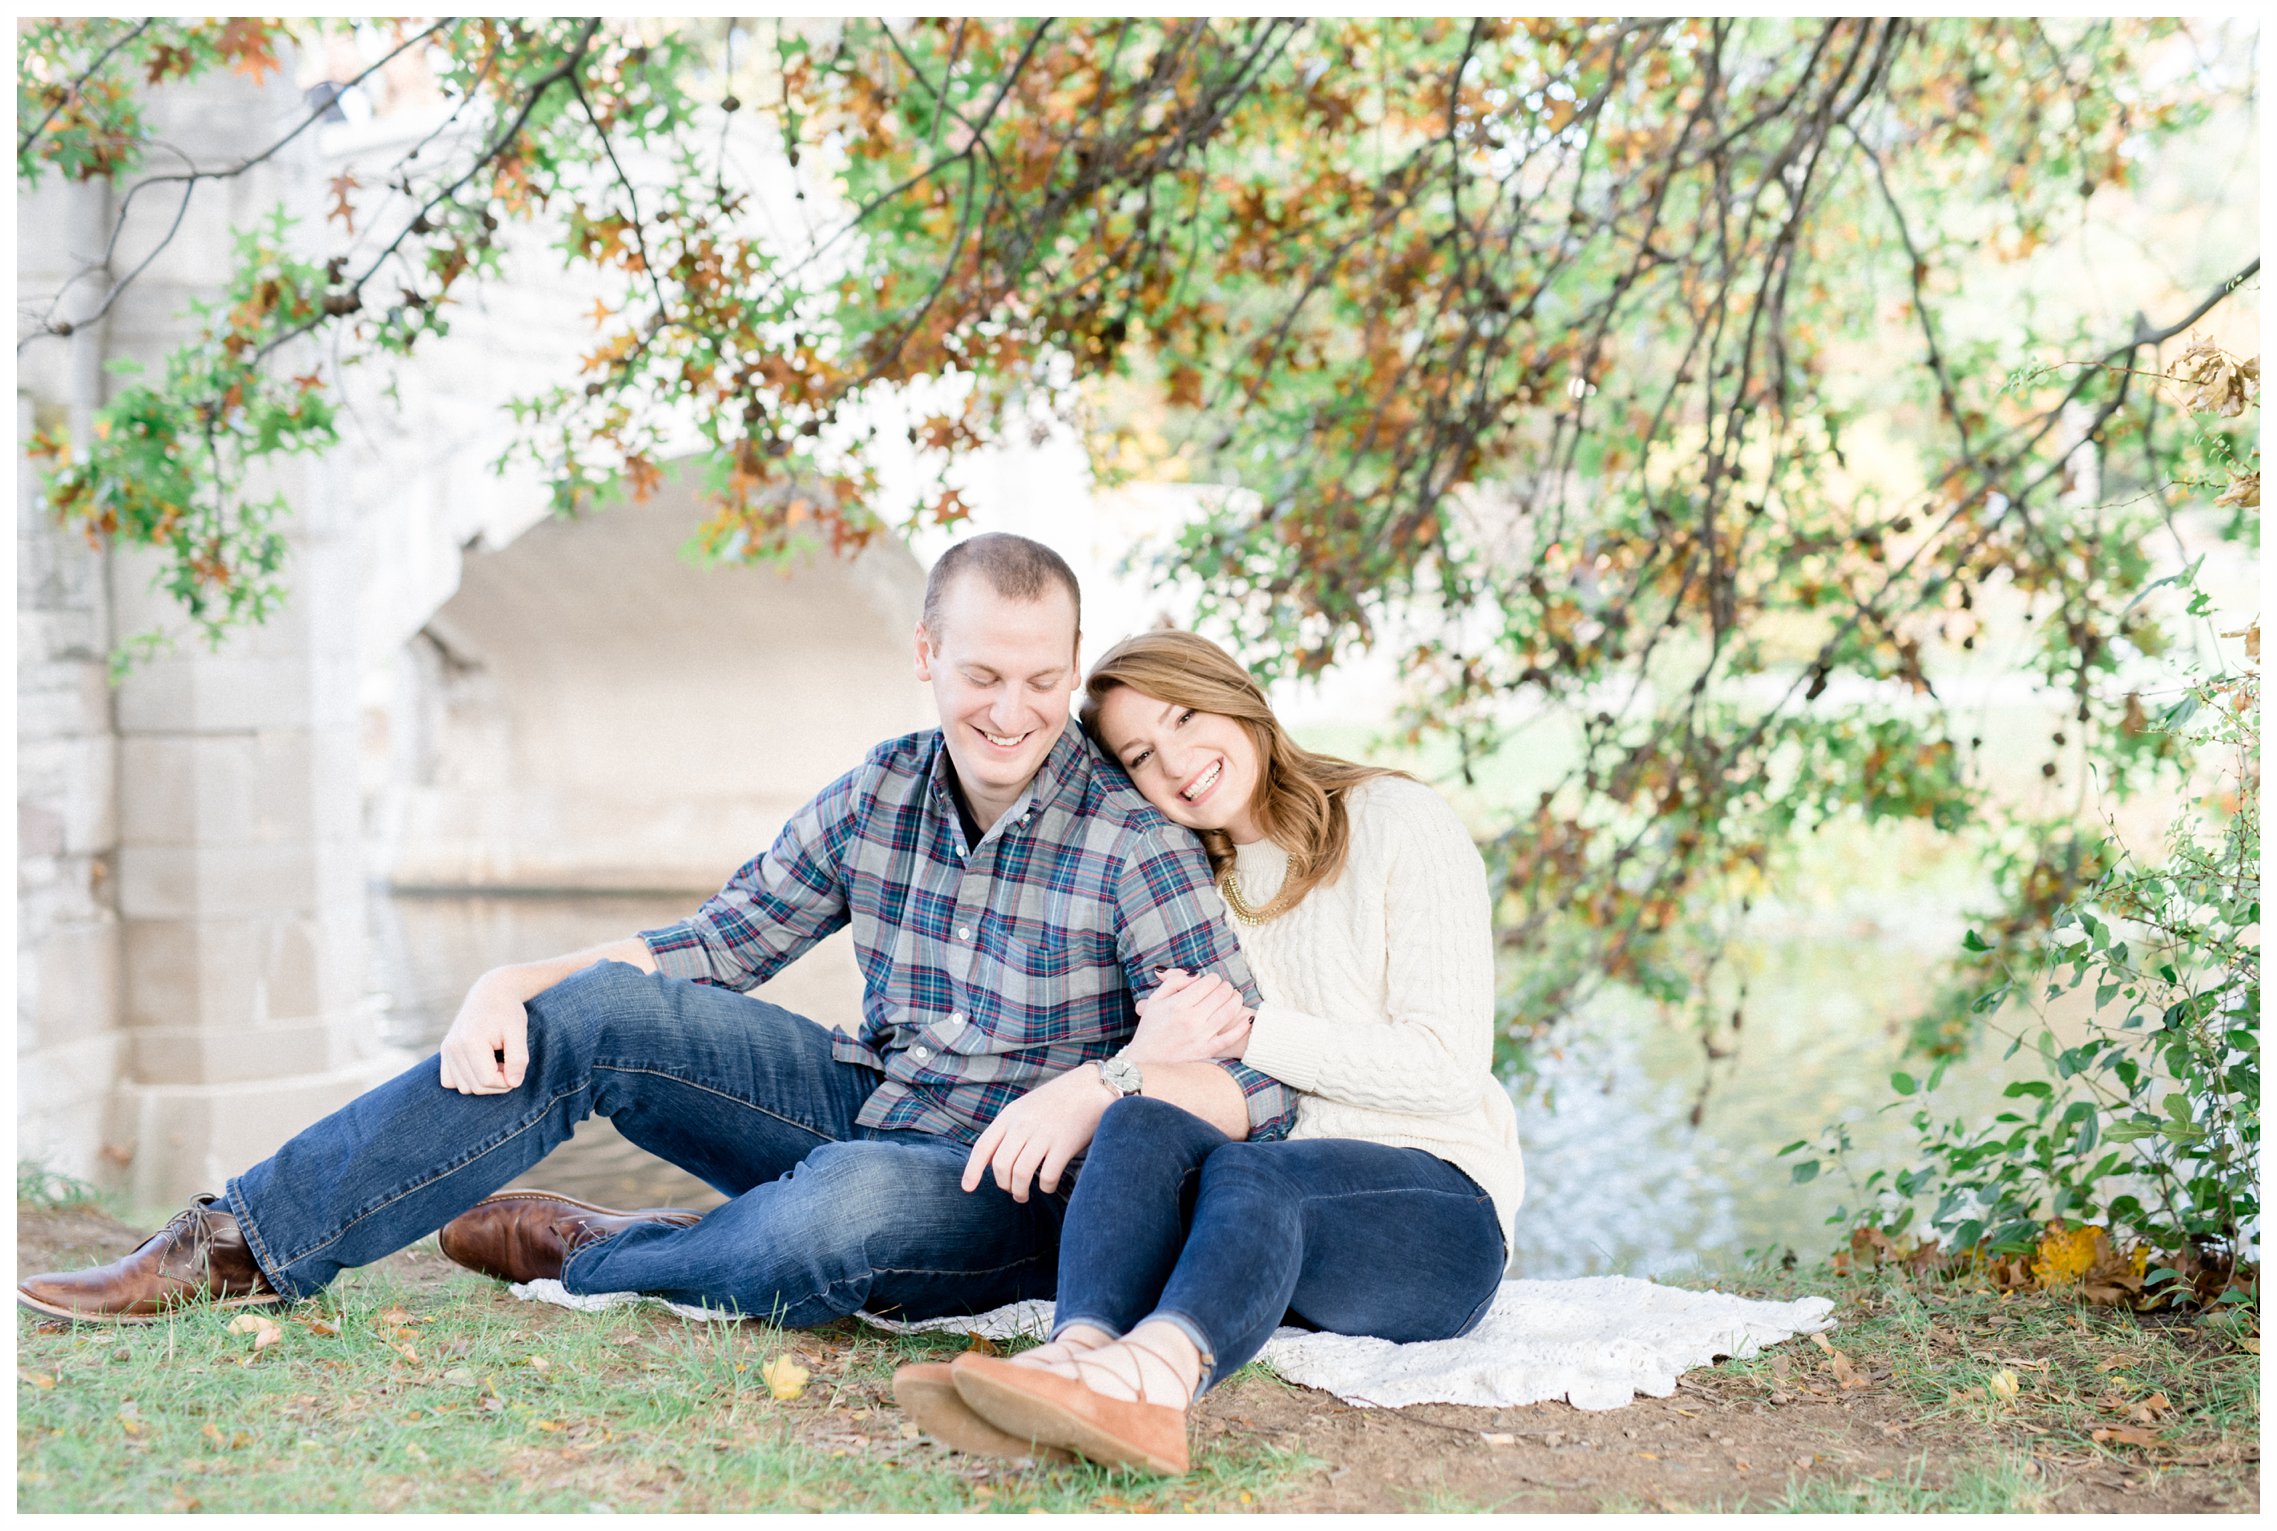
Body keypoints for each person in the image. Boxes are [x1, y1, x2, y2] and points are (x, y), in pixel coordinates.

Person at [16, 536, 1295, 1328]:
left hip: (1003, 1192)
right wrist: (512, 976)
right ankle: (245, 1239)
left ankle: (604, 1248)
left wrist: (1103, 1086)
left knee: (837, 1210)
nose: (1013, 711)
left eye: (1042, 678)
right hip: (867, 1100)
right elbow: (713, 946)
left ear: (1069, 667)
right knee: (607, 1017)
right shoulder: (883, 787)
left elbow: (1255, 1086)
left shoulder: (1134, 839)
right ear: (927, 655)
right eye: (983, 675)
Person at [898, 630, 1523, 1475]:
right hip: (1271, 1215)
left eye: (1186, 716)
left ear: (1238, 697)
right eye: (1142, 754)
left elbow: (1446, 1067)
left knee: (1248, 1171)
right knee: (1139, 1122)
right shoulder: (1190, 880)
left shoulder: (1396, 821)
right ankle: (1069, 1358)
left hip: (1437, 1215)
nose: (1178, 761)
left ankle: (1152, 1388)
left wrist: (1253, 1028)